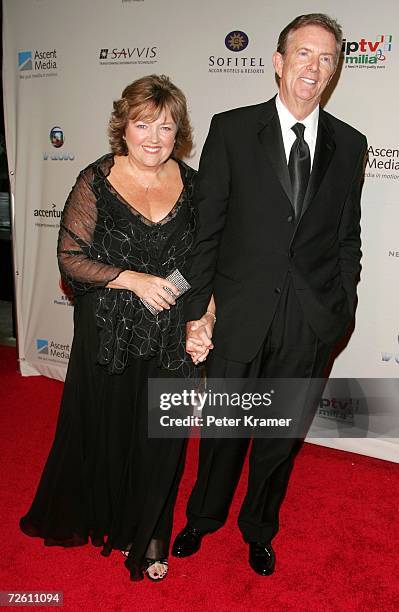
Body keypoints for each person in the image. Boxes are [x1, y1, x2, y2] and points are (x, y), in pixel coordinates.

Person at [172, 14, 367, 576]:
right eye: (303, 54)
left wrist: (342, 309)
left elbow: (347, 236)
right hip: (240, 311)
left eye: (326, 58)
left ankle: (259, 527)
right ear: (278, 62)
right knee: (223, 431)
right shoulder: (232, 129)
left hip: (310, 319)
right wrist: (196, 311)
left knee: (280, 437)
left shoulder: (350, 143)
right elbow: (206, 231)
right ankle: (203, 519)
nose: (314, 67)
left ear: (334, 71)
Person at [20, 74, 214, 582]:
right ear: (123, 128)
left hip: (170, 335)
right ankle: (102, 517)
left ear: (180, 133)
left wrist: (204, 317)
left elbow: (207, 263)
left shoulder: (196, 187)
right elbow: (71, 259)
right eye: (143, 124)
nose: (154, 137)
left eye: (166, 127)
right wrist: (132, 279)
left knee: (162, 436)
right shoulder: (96, 180)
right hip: (108, 333)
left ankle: (150, 535)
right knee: (105, 429)